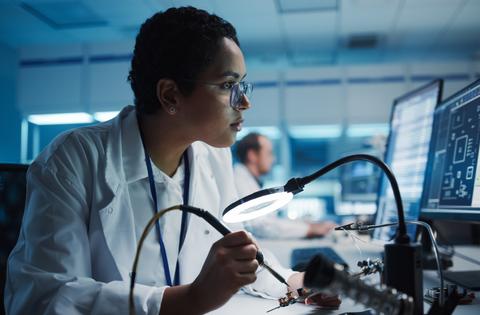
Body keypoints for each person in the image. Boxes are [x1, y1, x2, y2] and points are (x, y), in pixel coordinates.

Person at [4, 7, 340, 315]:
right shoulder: (74, 159)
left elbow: (240, 257)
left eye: (243, 84)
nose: (245, 102)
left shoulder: (213, 156)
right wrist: (190, 300)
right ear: (170, 95)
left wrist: (293, 281)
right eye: (228, 85)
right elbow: (44, 299)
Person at [234, 132, 336, 239]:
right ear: (252, 155)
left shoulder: (248, 180)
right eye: (269, 153)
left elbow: (271, 221)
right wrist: (309, 230)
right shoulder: (239, 181)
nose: (273, 159)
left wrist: (309, 225)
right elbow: (261, 226)